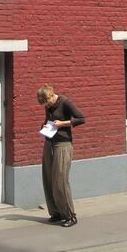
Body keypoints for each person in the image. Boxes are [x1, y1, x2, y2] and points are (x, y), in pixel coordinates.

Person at [37, 84, 85, 227]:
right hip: (49, 142)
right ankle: (56, 213)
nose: (47, 105)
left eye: (47, 102)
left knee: (60, 180)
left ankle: (70, 216)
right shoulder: (48, 106)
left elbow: (81, 118)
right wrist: (43, 127)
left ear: (51, 95)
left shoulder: (65, 102)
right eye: (45, 104)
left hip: (63, 145)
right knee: (48, 179)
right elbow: (47, 121)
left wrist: (62, 123)